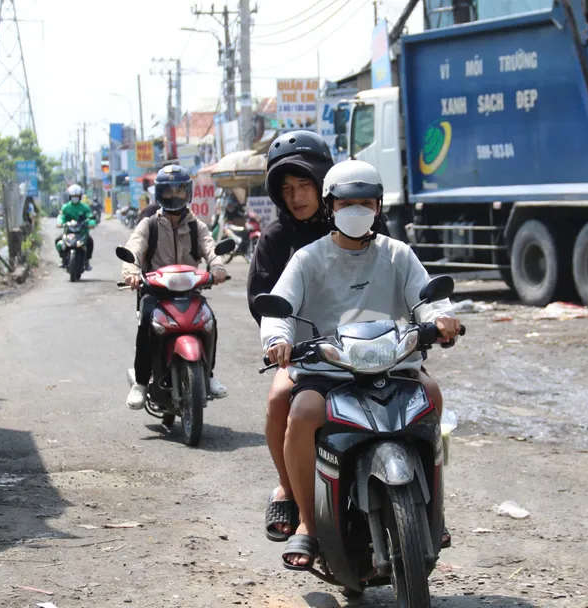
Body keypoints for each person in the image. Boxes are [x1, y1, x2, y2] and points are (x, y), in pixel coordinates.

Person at [260, 160, 462, 569]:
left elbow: (428, 298)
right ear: (331, 206)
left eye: (366, 202)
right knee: (301, 411)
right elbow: (279, 309)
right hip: (329, 371)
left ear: (379, 206)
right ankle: (306, 523)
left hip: (393, 364)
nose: (357, 210)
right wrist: (278, 340)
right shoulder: (307, 259)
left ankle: (431, 509)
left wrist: (442, 319)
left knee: (433, 395)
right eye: (347, 203)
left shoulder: (398, 254)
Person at [247, 131, 388, 543]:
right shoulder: (278, 241)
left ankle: (428, 506)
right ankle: (292, 490)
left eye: (305, 184)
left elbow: (408, 277)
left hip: (377, 348)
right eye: (287, 189)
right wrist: (281, 341)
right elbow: (263, 301)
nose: (296, 197)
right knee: (279, 400)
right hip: (312, 355)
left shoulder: (364, 222)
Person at [122, 164, 230, 409]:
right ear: (159, 193)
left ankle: (209, 375)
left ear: (188, 192)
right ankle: (140, 383)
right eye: (168, 191)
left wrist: (218, 268)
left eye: (179, 191)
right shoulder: (148, 225)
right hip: (155, 292)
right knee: (146, 325)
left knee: (209, 321)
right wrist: (131, 273)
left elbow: (211, 249)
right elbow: (133, 249)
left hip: (190, 291)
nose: (174, 196)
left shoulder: (197, 226)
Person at [56, 184, 95, 270]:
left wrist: (91, 223)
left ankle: (87, 261)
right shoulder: (66, 207)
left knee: (90, 242)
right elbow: (61, 216)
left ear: (80, 196)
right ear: (70, 197)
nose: (75, 198)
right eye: (73, 196)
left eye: (77, 196)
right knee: (58, 241)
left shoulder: (85, 207)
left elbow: (90, 216)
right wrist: (60, 223)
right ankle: (63, 259)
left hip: (81, 232)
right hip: (69, 232)